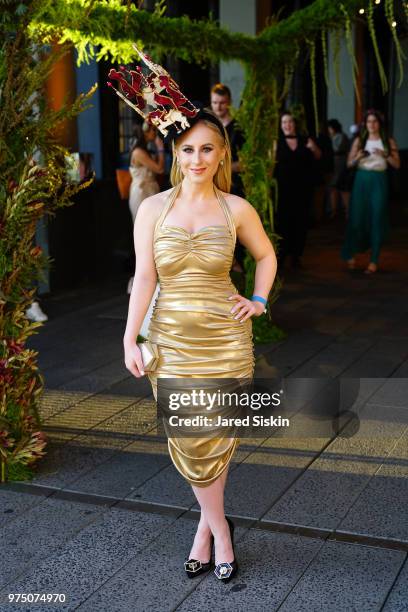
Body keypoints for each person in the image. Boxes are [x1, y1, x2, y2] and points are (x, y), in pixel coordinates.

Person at [123, 108, 277, 582]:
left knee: (216, 437)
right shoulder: (152, 209)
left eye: (207, 148)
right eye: (188, 149)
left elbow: (266, 255)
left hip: (226, 340)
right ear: (175, 152)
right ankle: (217, 526)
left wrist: (258, 299)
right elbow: (145, 277)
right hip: (170, 341)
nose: (197, 158)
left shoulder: (236, 208)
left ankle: (210, 533)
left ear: (222, 153)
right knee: (190, 439)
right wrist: (131, 336)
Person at [341, 109, 400, 274]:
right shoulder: (360, 140)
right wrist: (358, 157)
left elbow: (397, 164)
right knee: (357, 218)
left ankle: (374, 260)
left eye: (375, 121)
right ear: (365, 124)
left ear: (379, 123)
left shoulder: (388, 141)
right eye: (369, 121)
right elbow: (349, 164)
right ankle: (351, 254)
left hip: (379, 181)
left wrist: (385, 154)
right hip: (361, 180)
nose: (372, 124)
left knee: (377, 218)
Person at [274, 112, 321, 269]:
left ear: (295, 124)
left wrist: (313, 148)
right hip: (283, 190)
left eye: (290, 122)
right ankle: (281, 256)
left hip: (302, 190)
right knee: (282, 222)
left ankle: (296, 255)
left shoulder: (305, 140)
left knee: (300, 222)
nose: (287, 125)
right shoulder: (277, 142)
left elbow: (318, 157)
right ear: (281, 126)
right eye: (284, 122)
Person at [211, 83, 246, 273]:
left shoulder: (239, 128)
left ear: (229, 103)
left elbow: (245, 162)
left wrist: (220, 168)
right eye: (215, 102)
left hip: (234, 185)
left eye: (222, 103)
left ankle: (236, 263)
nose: (218, 107)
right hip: (212, 185)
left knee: (234, 226)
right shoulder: (210, 126)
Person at [127, 123, 164, 294]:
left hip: (149, 192)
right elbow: (159, 168)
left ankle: (150, 277)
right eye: (152, 130)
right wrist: (161, 149)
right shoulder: (138, 152)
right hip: (141, 194)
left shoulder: (143, 150)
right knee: (144, 236)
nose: (155, 133)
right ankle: (138, 279)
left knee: (154, 235)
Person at [327, 119, 350, 218]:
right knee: (334, 187)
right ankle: (334, 210)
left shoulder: (340, 136)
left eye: (330, 128)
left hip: (340, 161)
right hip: (335, 162)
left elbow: (337, 148)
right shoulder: (335, 136)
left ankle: (346, 210)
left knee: (342, 187)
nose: (329, 130)